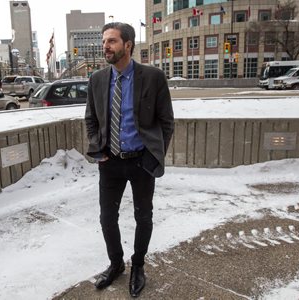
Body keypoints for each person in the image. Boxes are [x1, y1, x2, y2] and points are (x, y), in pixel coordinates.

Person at [85, 22, 174, 297]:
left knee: (143, 216)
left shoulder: (153, 77)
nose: (105, 47)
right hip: (110, 162)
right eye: (104, 42)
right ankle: (116, 264)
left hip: (141, 162)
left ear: (128, 45)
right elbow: (91, 119)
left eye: (111, 41)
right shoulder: (98, 79)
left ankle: (138, 266)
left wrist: (154, 155)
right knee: (106, 218)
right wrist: (98, 149)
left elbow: (166, 122)